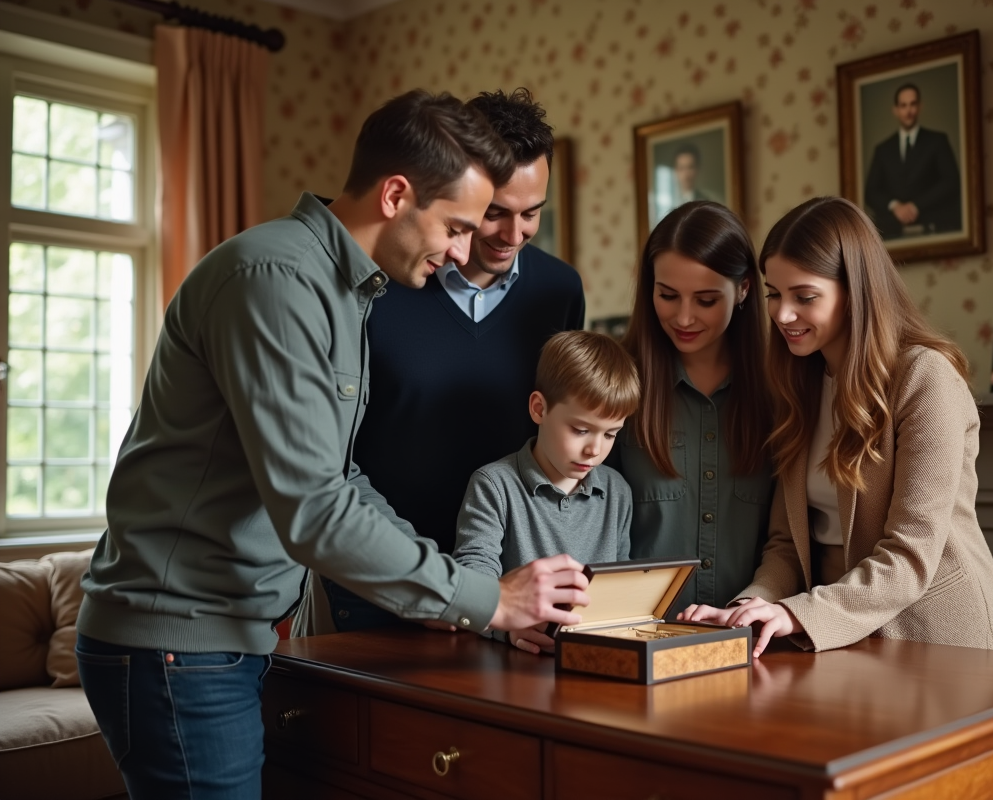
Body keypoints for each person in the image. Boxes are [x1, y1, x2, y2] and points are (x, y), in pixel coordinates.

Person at [73, 90, 590, 800]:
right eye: (457, 226)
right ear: (397, 194)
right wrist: (484, 599)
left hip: (222, 637)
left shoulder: (346, 290)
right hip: (178, 640)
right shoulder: (277, 280)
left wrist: (446, 585)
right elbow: (314, 509)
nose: (464, 252)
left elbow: (341, 478)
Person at [681, 196, 993, 657]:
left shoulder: (924, 377)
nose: (781, 314)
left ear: (856, 291)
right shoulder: (800, 384)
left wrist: (796, 614)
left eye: (805, 297)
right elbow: (787, 546)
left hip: (937, 643)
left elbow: (910, 557)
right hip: (839, 636)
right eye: (774, 294)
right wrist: (750, 610)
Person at [334, 88, 585, 631]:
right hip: (379, 587)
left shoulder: (559, 291)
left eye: (532, 214)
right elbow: (334, 461)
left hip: (514, 593)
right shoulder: (377, 281)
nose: (512, 235)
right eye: (494, 213)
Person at [610, 201, 774, 616]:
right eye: (668, 295)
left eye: (705, 300)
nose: (683, 317)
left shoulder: (781, 390)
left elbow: (790, 539)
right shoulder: (616, 384)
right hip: (637, 634)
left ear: (743, 290)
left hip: (753, 639)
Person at [454, 330, 640, 653]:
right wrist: (509, 628)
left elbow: (618, 588)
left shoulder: (618, 492)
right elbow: (473, 582)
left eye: (610, 434)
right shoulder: (494, 485)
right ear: (539, 409)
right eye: (581, 430)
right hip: (516, 663)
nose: (594, 450)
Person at [863, 83, 962, 240]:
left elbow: (951, 182)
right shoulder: (882, 149)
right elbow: (871, 192)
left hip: (934, 226)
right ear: (895, 110)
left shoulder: (937, 141)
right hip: (892, 232)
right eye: (903, 105)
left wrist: (916, 205)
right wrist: (895, 206)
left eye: (912, 104)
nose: (908, 111)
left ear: (920, 106)